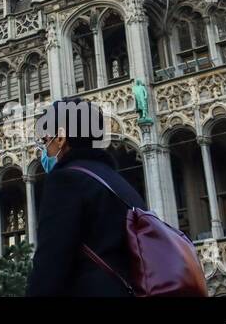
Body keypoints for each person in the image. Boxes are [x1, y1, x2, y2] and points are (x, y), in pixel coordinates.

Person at [26, 96, 144, 297]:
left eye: (45, 141)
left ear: (61, 138)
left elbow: (50, 265)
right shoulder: (119, 184)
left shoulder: (66, 180)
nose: (44, 150)